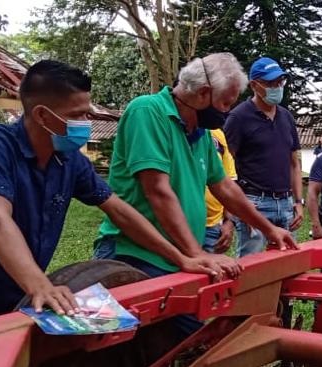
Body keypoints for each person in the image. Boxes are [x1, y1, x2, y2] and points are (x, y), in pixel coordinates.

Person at [0, 60, 216, 331]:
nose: (85, 123)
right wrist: (40, 285)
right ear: (42, 115)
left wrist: (182, 258)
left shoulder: (69, 160)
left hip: (13, 300)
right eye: (78, 115)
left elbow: (119, 211)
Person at [93, 53, 298, 339]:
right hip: (137, 254)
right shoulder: (147, 112)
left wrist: (268, 228)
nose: (227, 112)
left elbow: (224, 186)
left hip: (177, 256)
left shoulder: (201, 133)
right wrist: (196, 252)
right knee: (134, 344)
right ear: (203, 94)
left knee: (182, 344)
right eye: (226, 103)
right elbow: (157, 190)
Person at [224, 57, 304, 257]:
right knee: (252, 265)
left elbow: (294, 163)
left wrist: (298, 202)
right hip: (255, 203)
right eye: (270, 83)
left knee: (289, 263)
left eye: (280, 82)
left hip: (286, 204)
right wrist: (238, 204)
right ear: (254, 85)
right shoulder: (238, 118)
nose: (277, 87)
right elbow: (225, 165)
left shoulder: (286, 117)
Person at [204, 128, 237, 253]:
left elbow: (229, 181)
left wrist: (229, 221)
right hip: (180, 229)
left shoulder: (218, 135)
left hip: (213, 227)